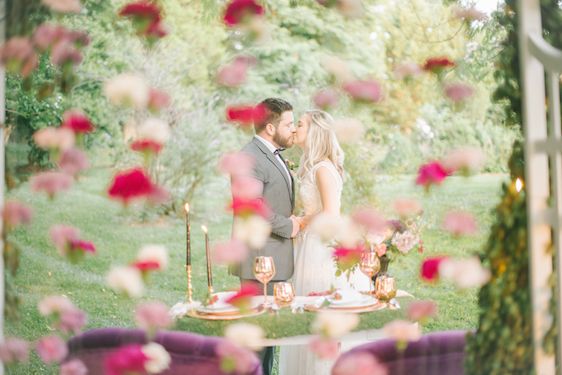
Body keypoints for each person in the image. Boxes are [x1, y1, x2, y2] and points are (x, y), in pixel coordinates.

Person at [278, 110, 369, 375]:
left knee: (319, 314)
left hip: (321, 247)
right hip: (310, 244)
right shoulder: (314, 166)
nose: (295, 128)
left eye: (301, 124)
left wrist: (302, 222)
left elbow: (329, 213)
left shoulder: (323, 170)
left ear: (316, 132)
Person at [230, 97, 301, 375]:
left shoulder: (271, 154)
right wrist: (289, 226)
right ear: (270, 128)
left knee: (267, 339)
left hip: (273, 261)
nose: (293, 129)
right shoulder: (249, 157)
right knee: (255, 344)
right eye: (289, 123)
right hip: (260, 261)